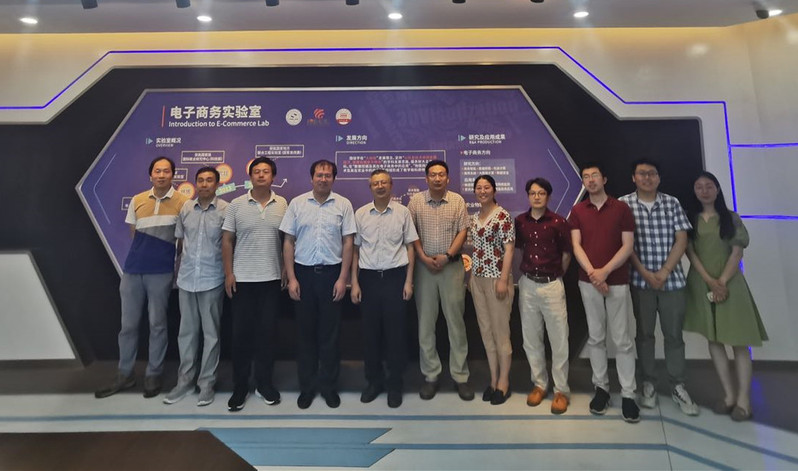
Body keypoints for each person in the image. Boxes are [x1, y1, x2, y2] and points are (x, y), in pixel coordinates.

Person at [95, 156, 188, 399]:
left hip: (161, 271)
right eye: (157, 171)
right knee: (128, 326)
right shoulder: (137, 200)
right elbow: (134, 234)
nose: (161, 175)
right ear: (150, 175)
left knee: (157, 324)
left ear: (173, 175)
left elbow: (182, 242)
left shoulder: (183, 202)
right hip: (132, 270)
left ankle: (153, 373)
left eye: (166, 171)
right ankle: (124, 374)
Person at [683, 171, 768, 422]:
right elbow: (690, 254)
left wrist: (721, 282)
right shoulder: (690, 220)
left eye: (709, 186)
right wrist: (710, 282)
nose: (704, 190)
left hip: (731, 284)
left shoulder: (731, 218)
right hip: (701, 284)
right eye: (699, 187)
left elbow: (737, 252)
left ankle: (744, 401)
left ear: (718, 189)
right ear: (694, 192)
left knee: (740, 341)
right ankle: (729, 395)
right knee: (714, 339)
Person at [619, 158, 698, 416]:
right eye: (641, 173)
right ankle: (648, 383)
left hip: (672, 281)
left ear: (659, 177)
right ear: (633, 177)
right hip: (640, 281)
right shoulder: (623, 204)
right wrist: (644, 272)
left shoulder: (672, 203)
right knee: (644, 335)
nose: (647, 178)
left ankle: (678, 385)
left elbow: (682, 239)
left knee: (674, 336)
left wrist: (664, 272)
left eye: (652, 173)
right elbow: (624, 245)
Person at [281, 159, 356, 409]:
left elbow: (348, 243)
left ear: (333, 179)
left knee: (330, 335)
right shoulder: (297, 204)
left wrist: (343, 278)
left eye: (328, 175)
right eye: (319, 175)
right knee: (305, 335)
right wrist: (292, 277)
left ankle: (328, 387)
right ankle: (307, 387)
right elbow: (288, 241)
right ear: (311, 178)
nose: (323, 179)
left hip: (332, 274)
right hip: (303, 275)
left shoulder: (343, 205)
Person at [569, 162, 640, 423]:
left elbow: (627, 246)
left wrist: (605, 272)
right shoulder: (578, 210)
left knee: (622, 339)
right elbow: (576, 246)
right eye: (586, 177)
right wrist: (593, 274)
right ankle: (601, 389)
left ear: (604, 179)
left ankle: (629, 394)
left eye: (594, 175)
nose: (590, 180)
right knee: (596, 337)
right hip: (588, 282)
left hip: (617, 281)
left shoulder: (621, 209)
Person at [222, 157, 287, 412]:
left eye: (266, 171)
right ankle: (240, 387)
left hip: (271, 279)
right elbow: (227, 240)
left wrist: (286, 268)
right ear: (250, 177)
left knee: (267, 335)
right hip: (242, 281)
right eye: (256, 171)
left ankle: (264, 384)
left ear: (273, 177)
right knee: (240, 336)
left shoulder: (282, 204)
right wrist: (229, 273)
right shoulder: (236, 205)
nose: (261, 175)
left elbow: (287, 240)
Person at [350, 169, 418, 408]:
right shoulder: (360, 214)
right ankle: (373, 382)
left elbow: (410, 247)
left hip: (395, 278)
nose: (380, 186)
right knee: (370, 335)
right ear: (370, 187)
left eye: (384, 182)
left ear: (391, 185)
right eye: (375, 183)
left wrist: (408, 281)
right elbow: (355, 250)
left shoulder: (402, 212)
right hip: (368, 279)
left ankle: (395, 384)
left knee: (395, 335)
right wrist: (354, 282)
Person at [407, 159, 473, 401]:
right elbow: (411, 232)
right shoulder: (416, 201)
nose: (437, 178)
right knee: (426, 325)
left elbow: (463, 231)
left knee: (456, 323)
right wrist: (423, 257)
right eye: (433, 175)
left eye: (441, 174)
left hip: (451, 268)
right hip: (423, 269)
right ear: (426, 178)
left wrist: (447, 256)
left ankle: (460, 376)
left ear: (448, 178)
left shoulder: (457, 200)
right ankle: (431, 375)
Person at [163, 167, 228, 407]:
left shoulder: (226, 210)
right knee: (186, 333)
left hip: (212, 279)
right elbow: (180, 242)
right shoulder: (186, 208)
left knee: (211, 335)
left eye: (209, 180)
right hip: (187, 279)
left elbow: (229, 244)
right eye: (200, 180)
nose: (204, 184)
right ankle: (184, 381)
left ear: (217, 184)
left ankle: (207, 383)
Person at [515, 177, 572, 414]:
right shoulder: (520, 221)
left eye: (541, 193)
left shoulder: (559, 222)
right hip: (528, 285)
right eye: (532, 193)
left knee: (559, 340)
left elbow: (567, 254)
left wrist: (556, 275)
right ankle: (539, 384)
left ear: (548, 196)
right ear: (528, 196)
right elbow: (518, 249)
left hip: (552, 286)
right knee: (531, 339)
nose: (536, 197)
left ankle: (561, 390)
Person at [469, 175, 515, 405]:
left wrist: (503, 279)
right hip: (477, 279)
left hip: (497, 279)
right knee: (486, 332)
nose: (482, 191)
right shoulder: (474, 217)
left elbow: (509, 249)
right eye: (478, 188)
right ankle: (493, 379)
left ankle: (504, 382)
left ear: (494, 190)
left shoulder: (502, 215)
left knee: (500, 333)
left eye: (486, 187)